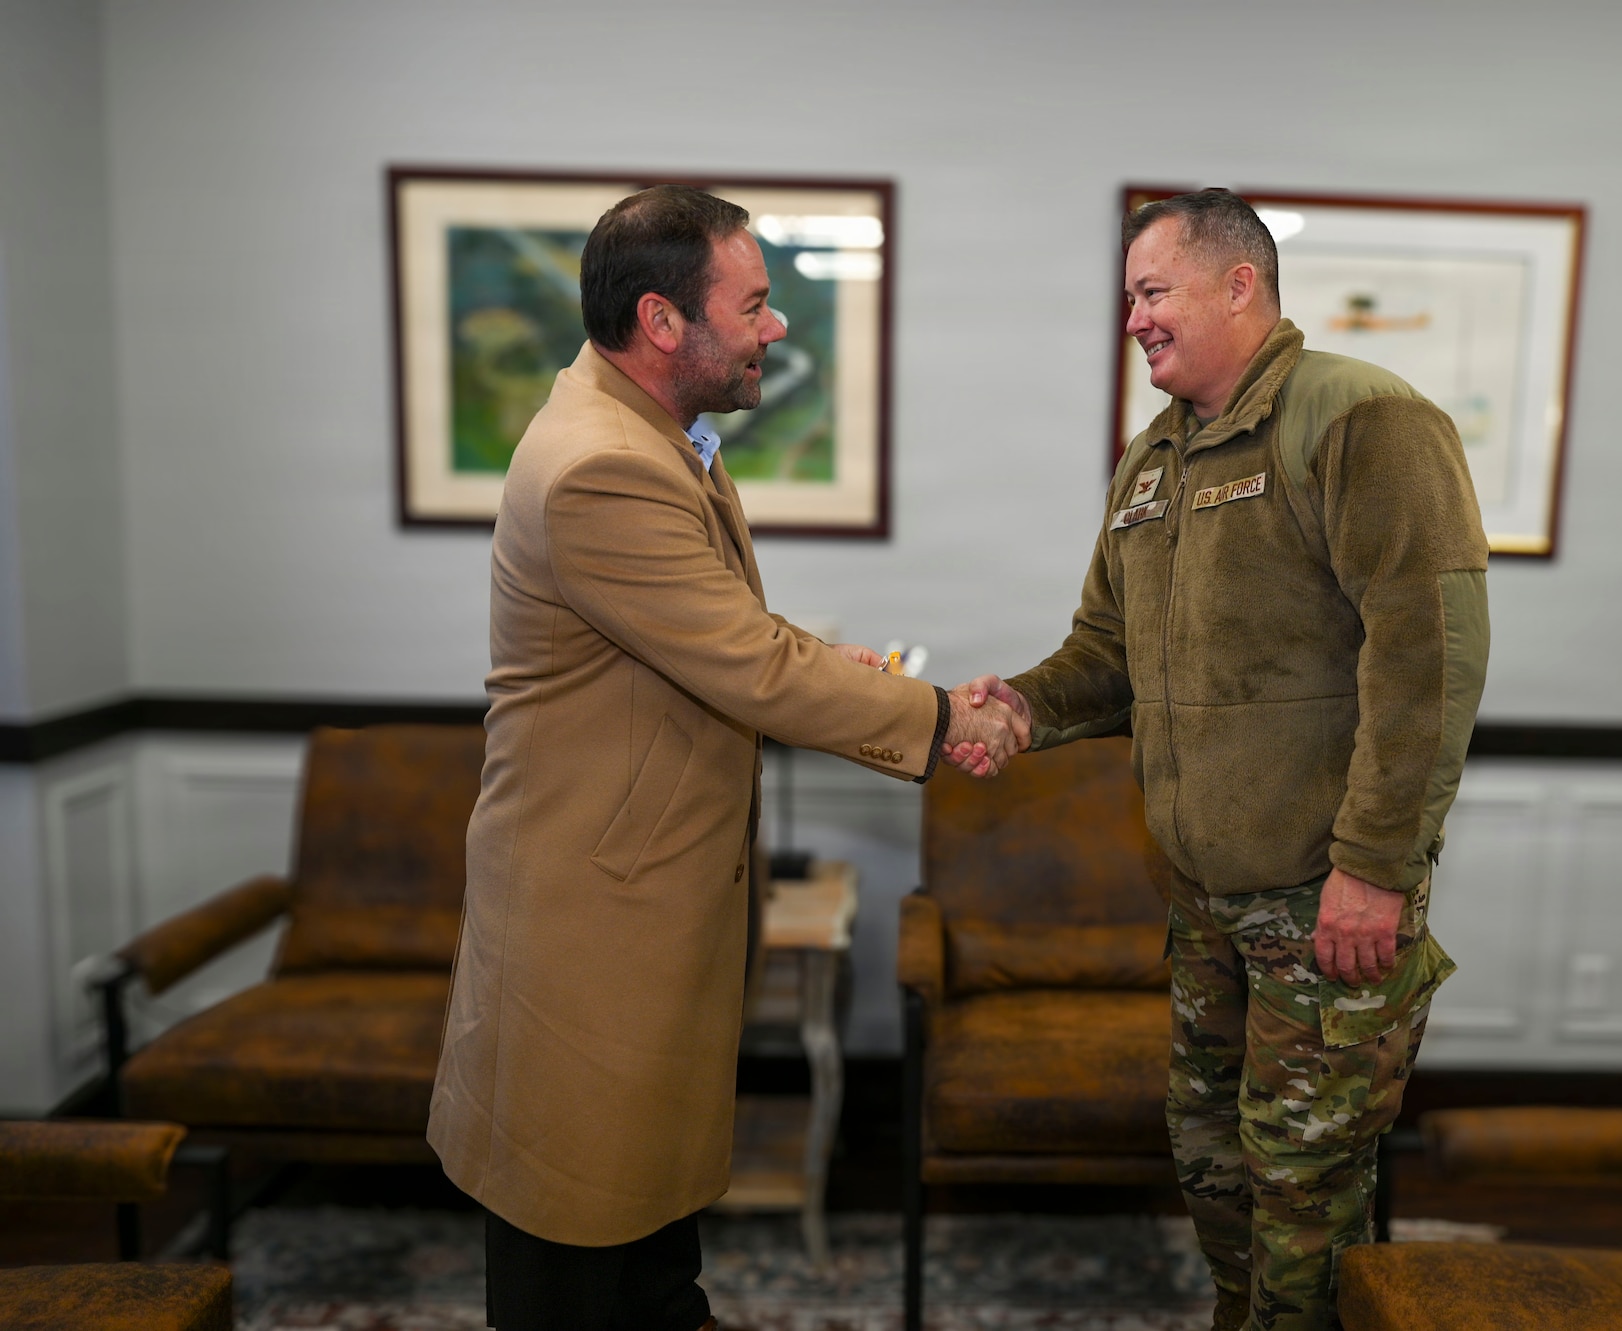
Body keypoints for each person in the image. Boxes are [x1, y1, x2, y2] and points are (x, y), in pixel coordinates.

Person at [427, 184, 1027, 1331]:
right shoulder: (603, 464)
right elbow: (746, 663)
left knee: (648, 1261)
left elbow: (715, 630)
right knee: (580, 1274)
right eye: (753, 305)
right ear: (664, 320)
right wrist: (938, 712)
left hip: (632, 913)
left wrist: (835, 663)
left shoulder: (645, 434)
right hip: (591, 937)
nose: (775, 328)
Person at [957, 189, 1489, 1330]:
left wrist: (1375, 867)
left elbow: (1427, 660)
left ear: (1237, 283)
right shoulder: (1154, 456)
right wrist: (1015, 711)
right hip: (1204, 898)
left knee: (1303, 1182)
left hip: (1322, 893)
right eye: (1129, 298)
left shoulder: (1359, 418)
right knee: (1211, 1160)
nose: (1135, 319)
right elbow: (1106, 652)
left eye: (1152, 292)